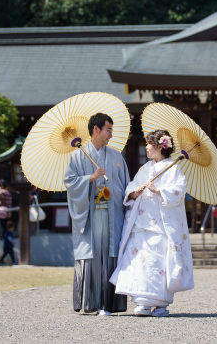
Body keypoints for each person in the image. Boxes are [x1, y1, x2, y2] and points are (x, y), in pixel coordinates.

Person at [110, 130, 194, 317]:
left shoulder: (173, 168)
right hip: (142, 222)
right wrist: (135, 192)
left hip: (161, 225)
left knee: (159, 263)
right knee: (141, 262)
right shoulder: (145, 169)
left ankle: (161, 303)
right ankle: (143, 302)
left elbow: (179, 192)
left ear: (158, 146)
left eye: (149, 143)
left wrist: (158, 189)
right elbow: (130, 188)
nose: (146, 147)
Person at [65, 112, 130, 315]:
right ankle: (90, 302)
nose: (111, 134)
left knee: (109, 255)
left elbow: (125, 185)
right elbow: (70, 183)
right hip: (90, 215)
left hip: (112, 216)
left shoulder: (116, 156)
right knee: (91, 256)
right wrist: (90, 179)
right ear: (96, 129)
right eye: (108, 129)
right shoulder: (77, 156)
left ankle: (108, 304)